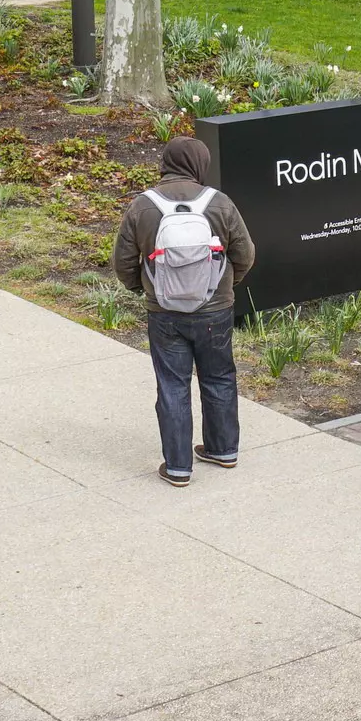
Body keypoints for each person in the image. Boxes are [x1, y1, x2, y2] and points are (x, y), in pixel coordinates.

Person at [113, 136, 256, 486]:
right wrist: (224, 285)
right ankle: (223, 450)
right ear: (199, 164)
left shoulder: (143, 206)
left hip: (164, 312)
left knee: (172, 386)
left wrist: (143, 289)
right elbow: (245, 254)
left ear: (167, 163)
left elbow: (123, 262)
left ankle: (178, 468)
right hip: (215, 310)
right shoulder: (219, 203)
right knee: (219, 377)